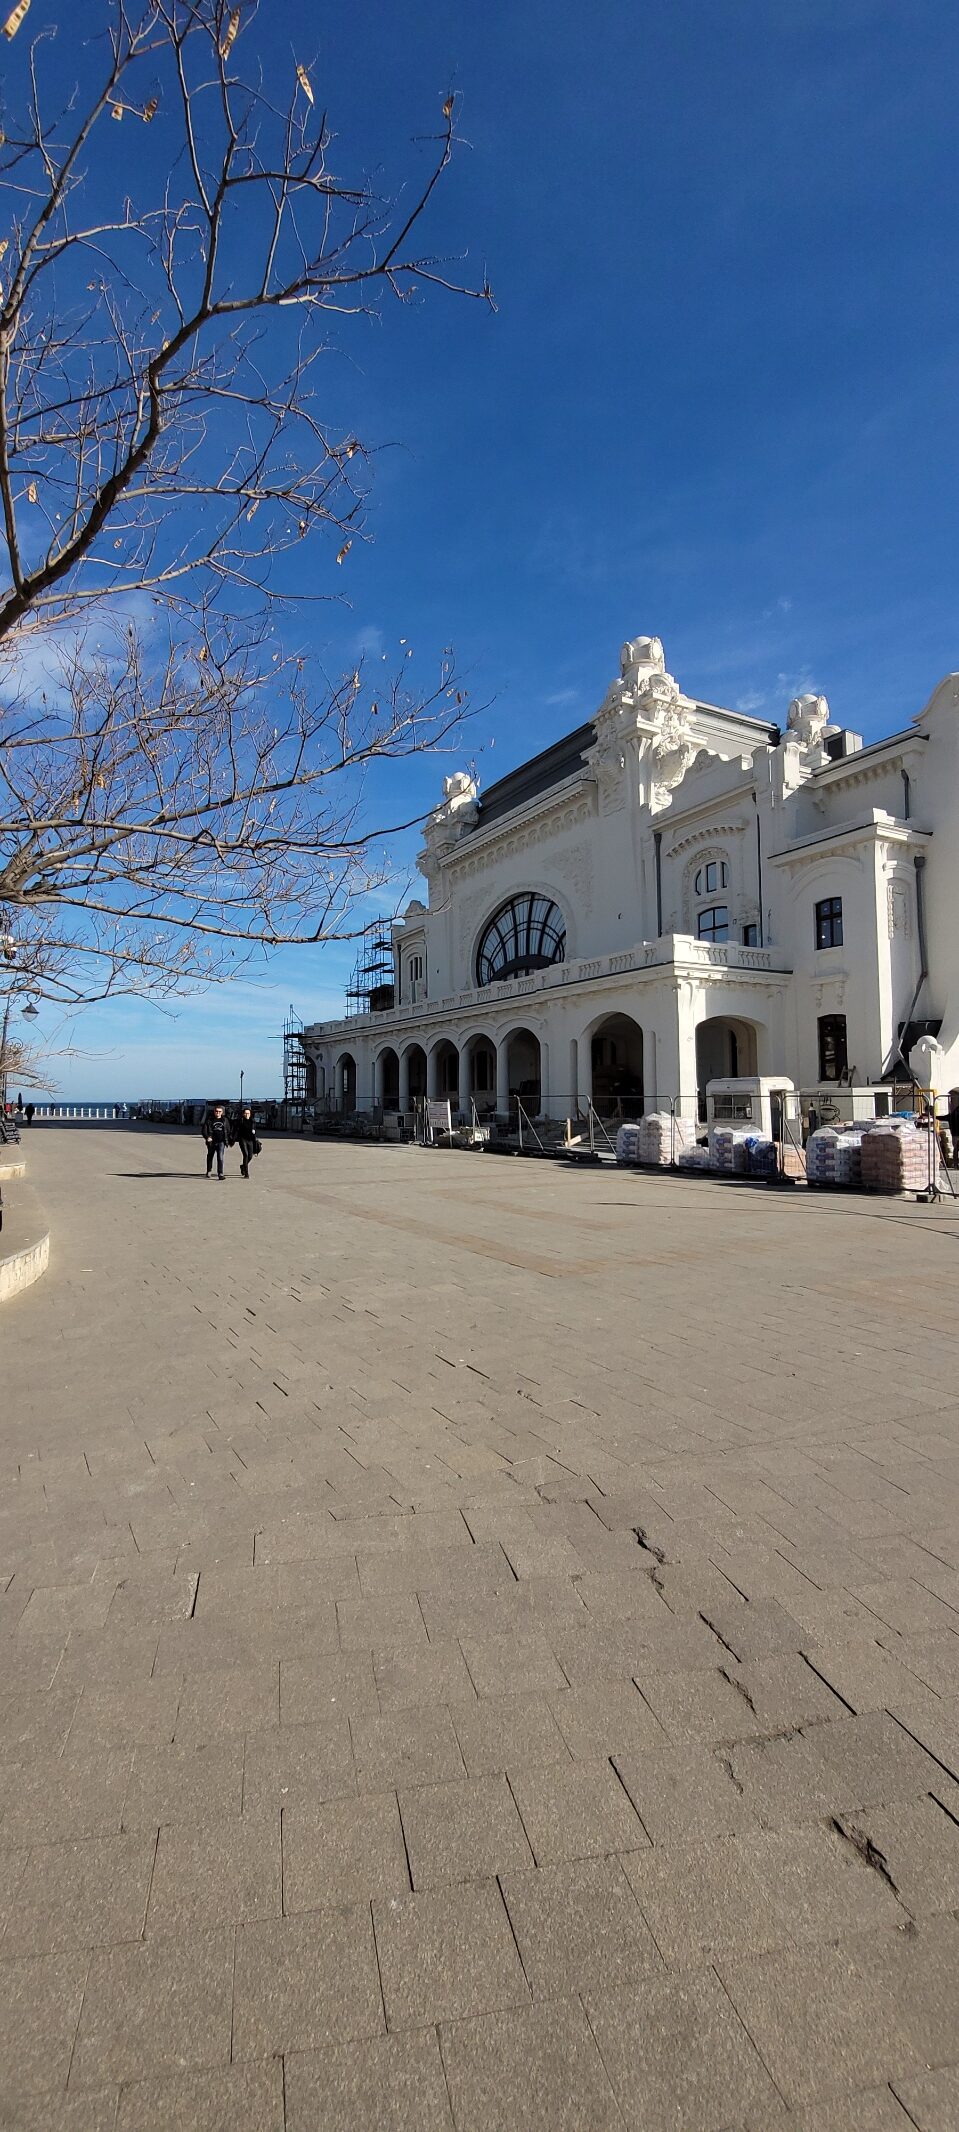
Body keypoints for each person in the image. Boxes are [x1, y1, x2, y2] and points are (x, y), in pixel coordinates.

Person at [202, 1102, 229, 1180]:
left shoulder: (225, 1120)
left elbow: (228, 1130)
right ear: (214, 1112)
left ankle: (220, 1173)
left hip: (221, 1141)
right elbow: (204, 1130)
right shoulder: (209, 1120)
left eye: (219, 1111)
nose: (218, 1113)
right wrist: (207, 1137)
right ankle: (209, 1170)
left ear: (222, 1112)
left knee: (220, 1157)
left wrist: (228, 1140)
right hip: (211, 1142)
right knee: (210, 1156)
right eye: (216, 1111)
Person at [235, 1103, 258, 1180]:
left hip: (250, 1140)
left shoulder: (253, 1121)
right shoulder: (240, 1121)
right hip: (242, 1139)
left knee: (250, 1156)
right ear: (243, 1114)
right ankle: (246, 1173)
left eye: (248, 1113)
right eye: (245, 1113)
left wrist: (255, 1140)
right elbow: (235, 1130)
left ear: (250, 1114)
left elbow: (254, 1131)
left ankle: (243, 1166)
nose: (246, 1115)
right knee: (246, 1155)